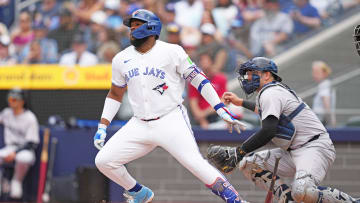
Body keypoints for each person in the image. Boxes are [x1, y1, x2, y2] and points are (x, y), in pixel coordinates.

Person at [93, 9, 247, 203]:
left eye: (136, 25)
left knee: (195, 164)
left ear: (152, 27)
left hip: (170, 119)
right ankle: (140, 193)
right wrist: (102, 126)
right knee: (104, 161)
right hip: (139, 123)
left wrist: (219, 108)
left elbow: (199, 80)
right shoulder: (121, 58)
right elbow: (115, 94)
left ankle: (236, 200)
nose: (131, 29)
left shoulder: (172, 51)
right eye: (130, 26)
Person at [207, 57, 360, 203]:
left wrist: (239, 152)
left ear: (267, 75)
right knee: (248, 164)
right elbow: (263, 111)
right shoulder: (270, 92)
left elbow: (268, 131)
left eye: (253, 73)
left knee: (302, 191)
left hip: (314, 147)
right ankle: (287, 199)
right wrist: (240, 102)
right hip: (293, 151)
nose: (248, 78)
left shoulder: (270, 93)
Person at [0, 88, 40, 199]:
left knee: (24, 158)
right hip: (9, 148)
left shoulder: (30, 117)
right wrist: (11, 152)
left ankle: (16, 181)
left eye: (14, 99)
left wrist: (15, 153)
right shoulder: (6, 113)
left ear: (22, 101)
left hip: (24, 150)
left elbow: (32, 143)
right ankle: (2, 183)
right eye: (10, 99)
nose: (11, 101)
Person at [312, 61, 336, 127]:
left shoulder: (324, 85)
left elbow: (326, 104)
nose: (314, 75)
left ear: (324, 73)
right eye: (313, 72)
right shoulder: (324, 84)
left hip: (321, 122)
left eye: (317, 72)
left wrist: (330, 123)